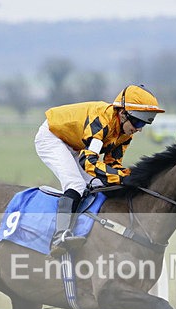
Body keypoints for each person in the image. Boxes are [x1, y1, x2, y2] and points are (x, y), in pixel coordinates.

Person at [34, 84, 164, 257]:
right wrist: (121, 177)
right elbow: (88, 161)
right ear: (123, 113)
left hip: (76, 145)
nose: (139, 128)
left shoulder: (125, 133)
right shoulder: (102, 121)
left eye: (145, 123)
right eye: (138, 121)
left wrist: (128, 176)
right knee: (76, 185)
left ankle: (85, 230)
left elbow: (113, 164)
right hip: (53, 138)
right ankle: (60, 236)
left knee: (97, 185)